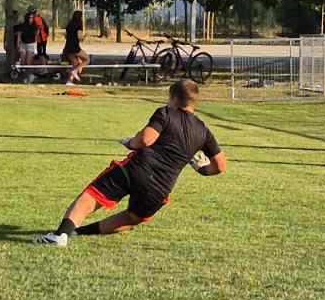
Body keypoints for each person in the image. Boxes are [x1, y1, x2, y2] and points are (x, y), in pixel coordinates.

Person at [36, 78, 226, 245]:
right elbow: (220, 166)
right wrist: (202, 169)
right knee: (133, 217)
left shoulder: (167, 113)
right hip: (161, 188)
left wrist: (130, 143)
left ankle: (61, 235)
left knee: (92, 195)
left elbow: (145, 139)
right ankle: (77, 232)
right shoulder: (203, 131)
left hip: (136, 169)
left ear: (174, 98)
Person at [61, 8, 89, 85]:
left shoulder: (69, 24)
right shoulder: (79, 25)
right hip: (75, 47)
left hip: (67, 47)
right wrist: (84, 37)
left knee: (75, 63)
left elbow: (66, 36)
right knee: (87, 59)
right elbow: (79, 37)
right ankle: (75, 71)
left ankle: (69, 81)